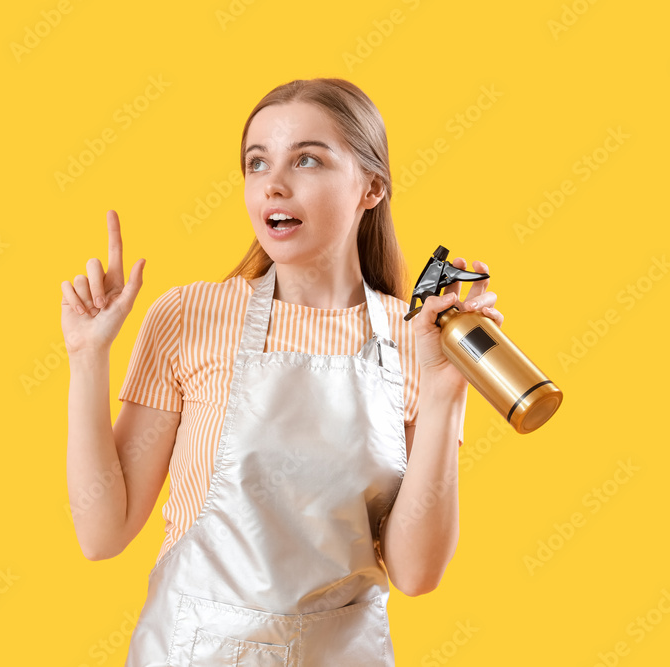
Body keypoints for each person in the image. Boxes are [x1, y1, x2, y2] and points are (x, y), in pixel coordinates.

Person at [61, 78, 503, 666]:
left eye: (307, 159)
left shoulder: (416, 336)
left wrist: (447, 396)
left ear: (371, 187)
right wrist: (88, 356)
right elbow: (103, 532)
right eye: (257, 162)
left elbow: (416, 574)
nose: (274, 182)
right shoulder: (192, 315)